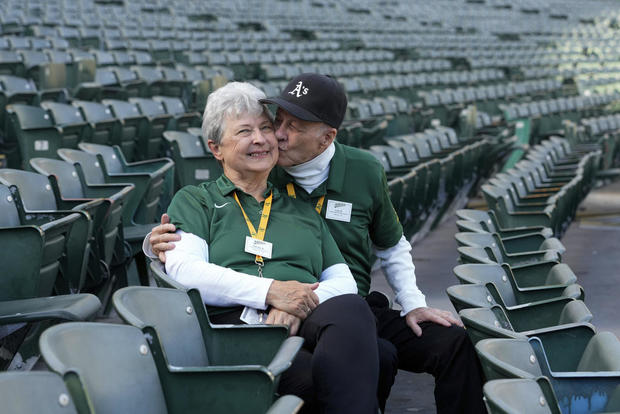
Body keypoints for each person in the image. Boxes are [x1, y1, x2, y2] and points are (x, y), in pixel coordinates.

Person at [149, 74, 486, 413]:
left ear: (326, 138)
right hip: (255, 315)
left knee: (448, 340)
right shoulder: (255, 174)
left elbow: (387, 248)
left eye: (287, 127)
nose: (274, 137)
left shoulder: (356, 173)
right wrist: (155, 244)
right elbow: (191, 252)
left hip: (340, 303)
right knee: (375, 354)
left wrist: (412, 303)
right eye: (275, 122)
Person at [161, 81, 383, 413]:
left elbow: (344, 282)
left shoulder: (299, 206)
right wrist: (271, 292)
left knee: (352, 309)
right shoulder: (196, 200)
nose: (261, 139)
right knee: (343, 370)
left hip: (299, 323)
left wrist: (295, 304)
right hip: (234, 332)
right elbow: (187, 272)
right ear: (216, 148)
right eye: (244, 131)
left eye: (266, 128)